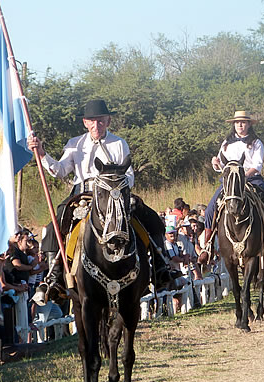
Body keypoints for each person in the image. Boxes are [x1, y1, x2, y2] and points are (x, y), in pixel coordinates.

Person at [27, 99, 171, 302]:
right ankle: (53, 278)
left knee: (150, 218)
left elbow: (129, 174)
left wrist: (118, 185)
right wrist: (42, 153)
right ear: (85, 122)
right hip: (84, 193)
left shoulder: (119, 143)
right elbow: (59, 171)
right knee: (54, 225)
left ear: (108, 121)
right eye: (92, 122)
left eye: (101, 121)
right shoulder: (74, 144)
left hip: (116, 191)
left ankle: (161, 267)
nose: (97, 126)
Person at [199, 111, 264, 263]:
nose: (240, 125)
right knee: (210, 208)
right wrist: (216, 164)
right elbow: (222, 166)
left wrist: (244, 177)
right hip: (230, 182)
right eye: (237, 122)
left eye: (243, 122)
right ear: (233, 125)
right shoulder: (226, 143)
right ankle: (207, 246)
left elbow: (257, 165)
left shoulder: (256, 143)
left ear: (249, 124)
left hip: (252, 179)